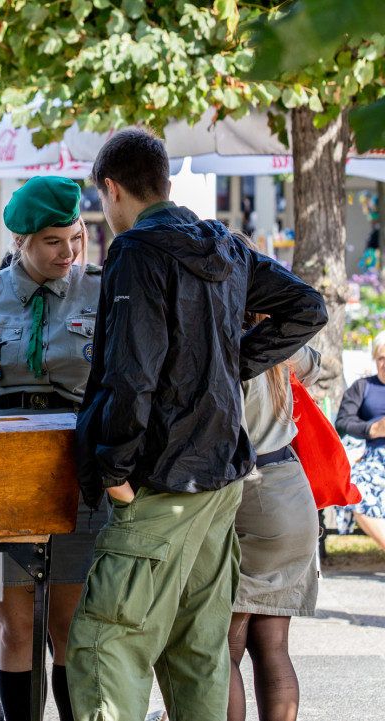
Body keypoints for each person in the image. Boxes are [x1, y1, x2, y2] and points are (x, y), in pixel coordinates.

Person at [68, 128, 328, 721]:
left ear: (111, 190)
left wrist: (114, 470)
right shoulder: (223, 244)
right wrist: (225, 362)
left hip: (161, 479)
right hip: (221, 475)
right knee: (199, 651)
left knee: (105, 646)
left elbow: (132, 376)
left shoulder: (136, 250)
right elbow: (307, 308)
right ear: (162, 180)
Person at [0, 176, 104, 721]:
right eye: (52, 242)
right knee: (16, 628)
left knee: (67, 627)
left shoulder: (101, 293)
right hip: (0, 477)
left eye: (75, 238)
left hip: (74, 474)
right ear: (21, 241)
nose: (68, 253)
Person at [229, 264, 321, 721]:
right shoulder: (276, 341)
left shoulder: (223, 349)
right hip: (292, 489)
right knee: (273, 647)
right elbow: (316, 363)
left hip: (251, 495)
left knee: (220, 648)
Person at [335, 329, 385, 551]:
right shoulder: (363, 387)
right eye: (382, 357)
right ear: (375, 359)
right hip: (375, 457)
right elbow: (343, 422)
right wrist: (372, 428)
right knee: (356, 488)